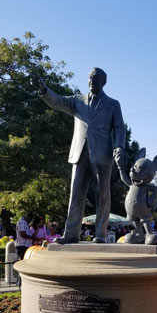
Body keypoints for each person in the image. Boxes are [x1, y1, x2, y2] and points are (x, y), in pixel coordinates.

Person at [31, 68, 125, 244]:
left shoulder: (113, 104)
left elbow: (120, 128)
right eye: (90, 77)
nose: (92, 80)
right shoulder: (77, 100)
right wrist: (43, 90)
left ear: (104, 82)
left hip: (102, 154)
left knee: (102, 194)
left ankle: (100, 234)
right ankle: (71, 233)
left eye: (96, 78)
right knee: (75, 193)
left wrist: (119, 147)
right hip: (79, 152)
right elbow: (57, 101)